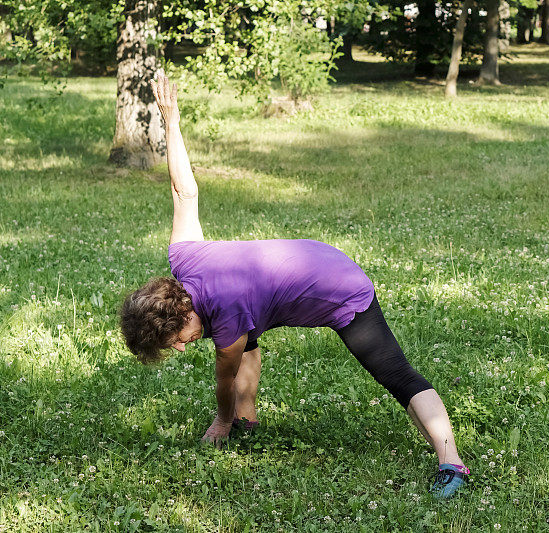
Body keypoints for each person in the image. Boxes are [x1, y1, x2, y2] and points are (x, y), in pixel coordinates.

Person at [119, 73, 469, 499]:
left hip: (341, 290)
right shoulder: (184, 258)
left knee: (397, 376)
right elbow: (183, 190)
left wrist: (223, 421)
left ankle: (452, 463)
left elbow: (224, 382)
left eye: (175, 338)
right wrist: (172, 122)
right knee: (246, 338)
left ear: (182, 313)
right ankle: (251, 421)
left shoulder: (225, 314)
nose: (179, 347)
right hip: (313, 257)